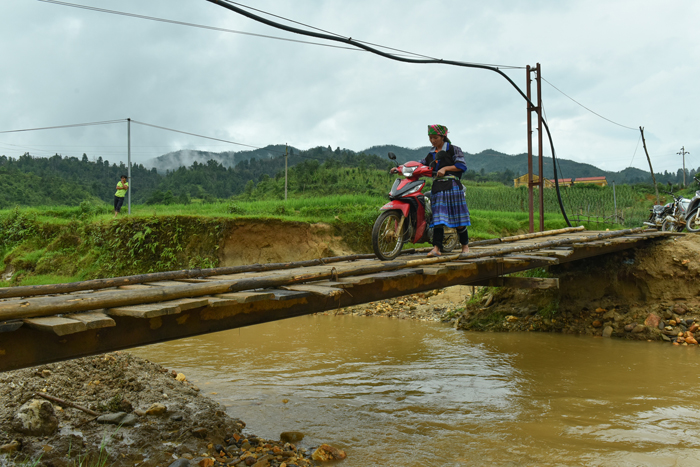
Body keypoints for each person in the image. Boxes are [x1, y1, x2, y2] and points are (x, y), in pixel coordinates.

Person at [420, 124, 470, 257]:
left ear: (443, 137)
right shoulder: (431, 153)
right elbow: (422, 164)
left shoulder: (454, 150)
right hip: (438, 188)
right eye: (430, 138)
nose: (432, 141)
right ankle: (437, 248)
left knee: (458, 219)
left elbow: (461, 166)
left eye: (435, 137)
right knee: (438, 219)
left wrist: (445, 168)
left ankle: (465, 247)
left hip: (452, 186)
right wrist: (402, 167)